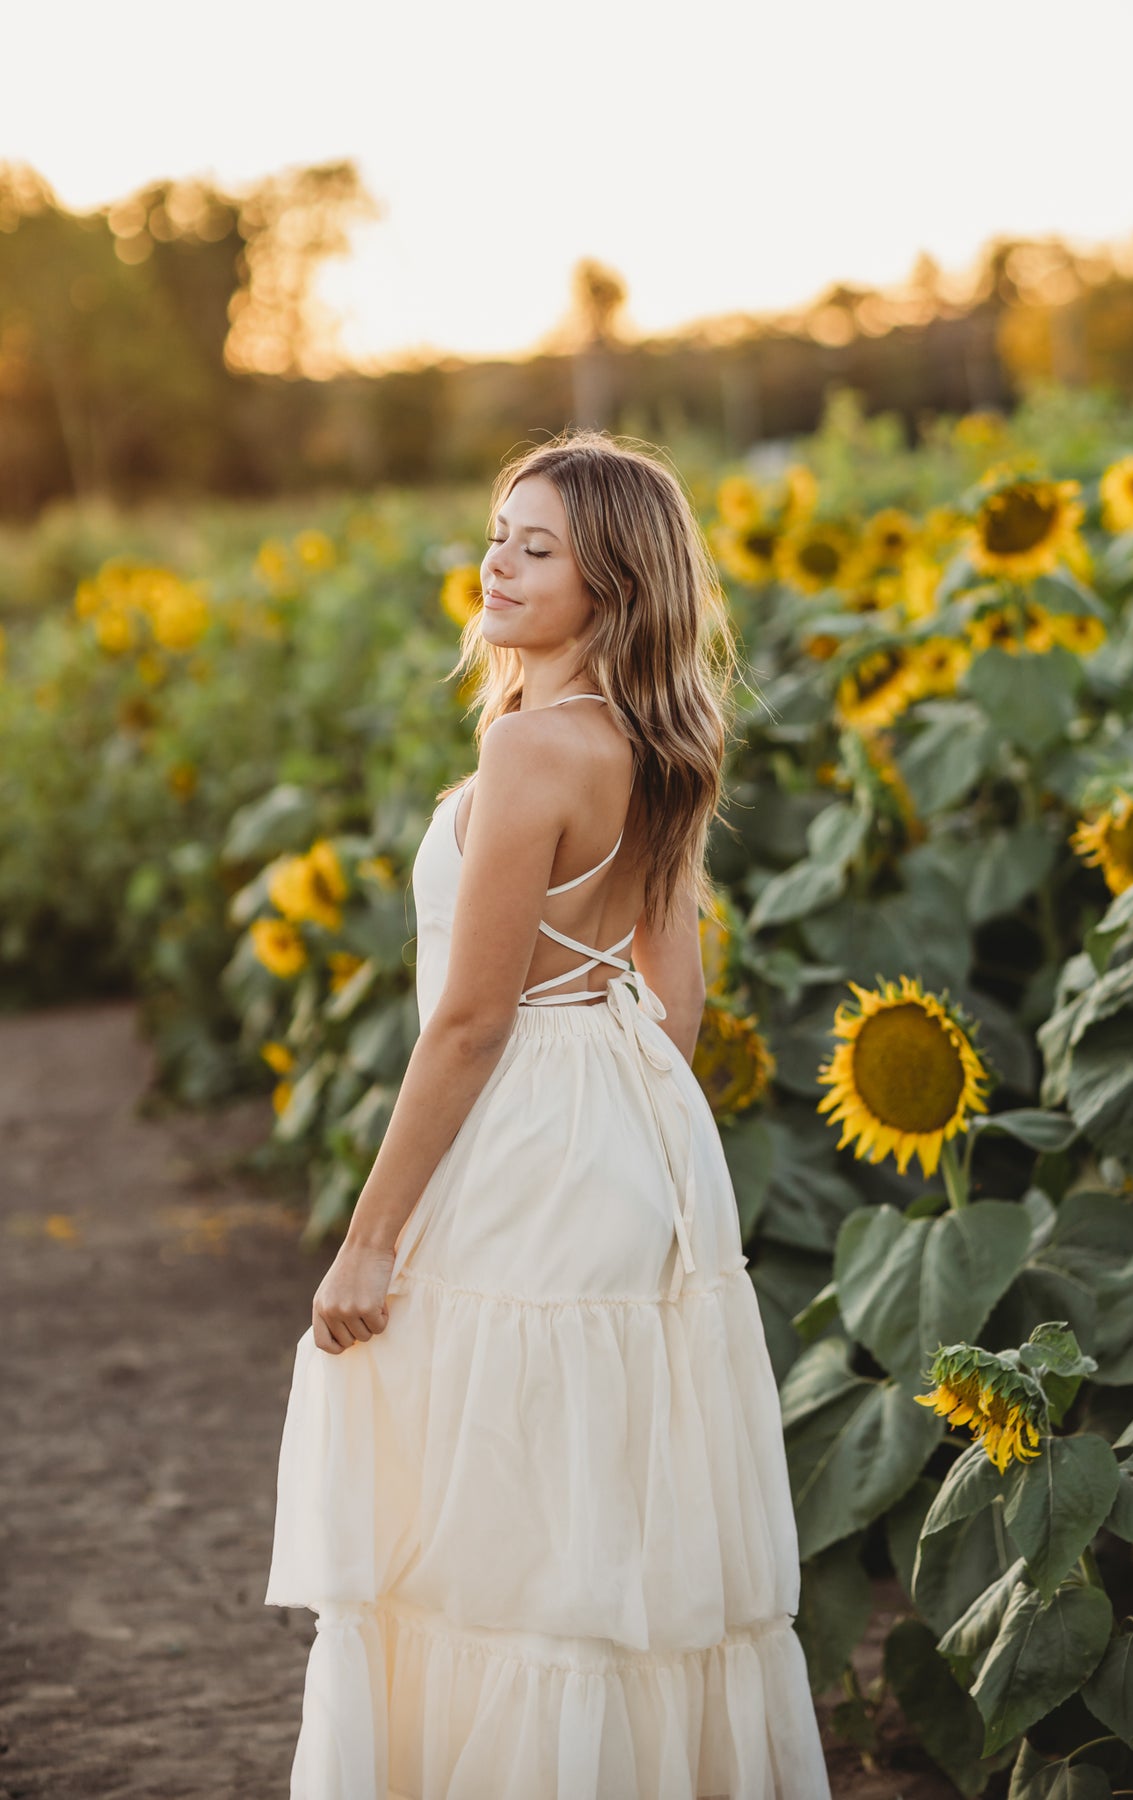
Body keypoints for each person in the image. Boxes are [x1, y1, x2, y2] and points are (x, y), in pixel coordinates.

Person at [264, 429, 833, 1800]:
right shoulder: (654, 742)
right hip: (628, 1130)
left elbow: (468, 1023)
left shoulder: (530, 751)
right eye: (497, 535)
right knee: (605, 1523)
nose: (497, 564)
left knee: (499, 1529)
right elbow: (675, 994)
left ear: (612, 586)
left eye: (537, 548)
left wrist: (370, 1237)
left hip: (521, 1130)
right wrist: (627, 1140)